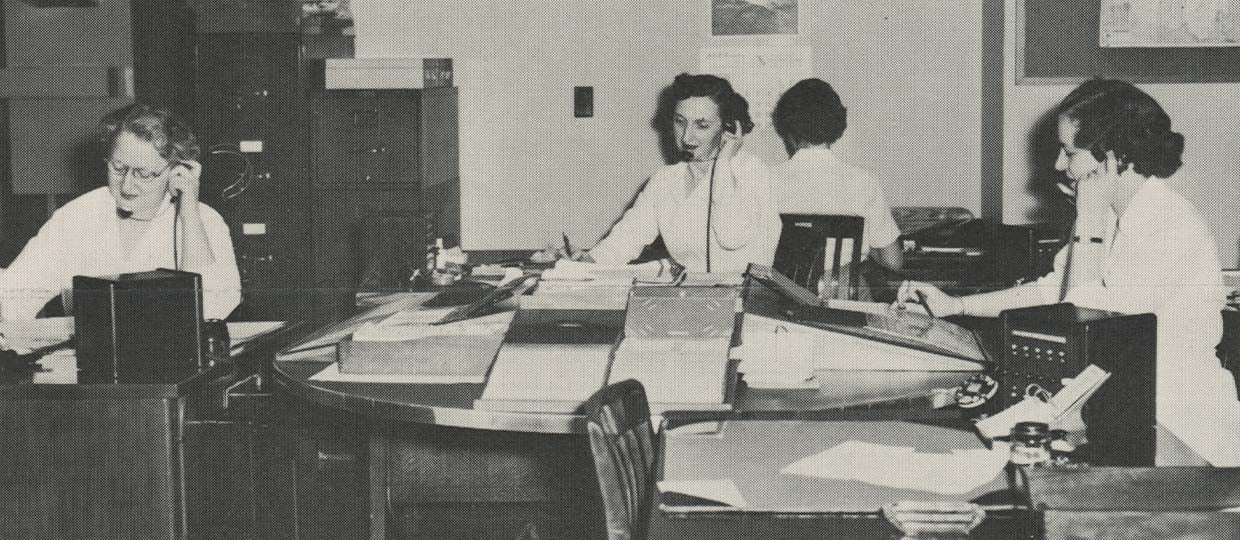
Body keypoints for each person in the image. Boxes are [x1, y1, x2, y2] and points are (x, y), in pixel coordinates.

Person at [897, 79, 1240, 466]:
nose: (1060, 165)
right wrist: (955, 305)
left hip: (1179, 425)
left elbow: (1083, 321)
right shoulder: (1112, 214)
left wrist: (1088, 220)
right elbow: (1053, 290)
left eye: (1069, 152)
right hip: (1126, 406)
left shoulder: (1167, 225)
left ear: (1112, 157)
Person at [0, 103, 242, 321]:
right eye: (118, 168)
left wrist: (188, 212)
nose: (126, 186)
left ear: (178, 171)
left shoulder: (204, 220)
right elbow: (13, 298)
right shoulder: (77, 215)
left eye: (144, 174)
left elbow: (213, 310)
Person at [580, 73, 781, 273]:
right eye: (680, 122)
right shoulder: (666, 179)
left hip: (744, 299)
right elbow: (627, 237)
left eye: (702, 125)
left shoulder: (751, 171)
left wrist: (723, 163)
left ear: (728, 127)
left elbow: (732, 236)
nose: (687, 137)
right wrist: (586, 263)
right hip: (689, 295)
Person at [771, 78, 903, 277]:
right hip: (844, 300)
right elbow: (893, 261)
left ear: (789, 133)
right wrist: (866, 249)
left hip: (782, 298)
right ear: (836, 128)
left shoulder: (765, 180)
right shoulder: (864, 182)